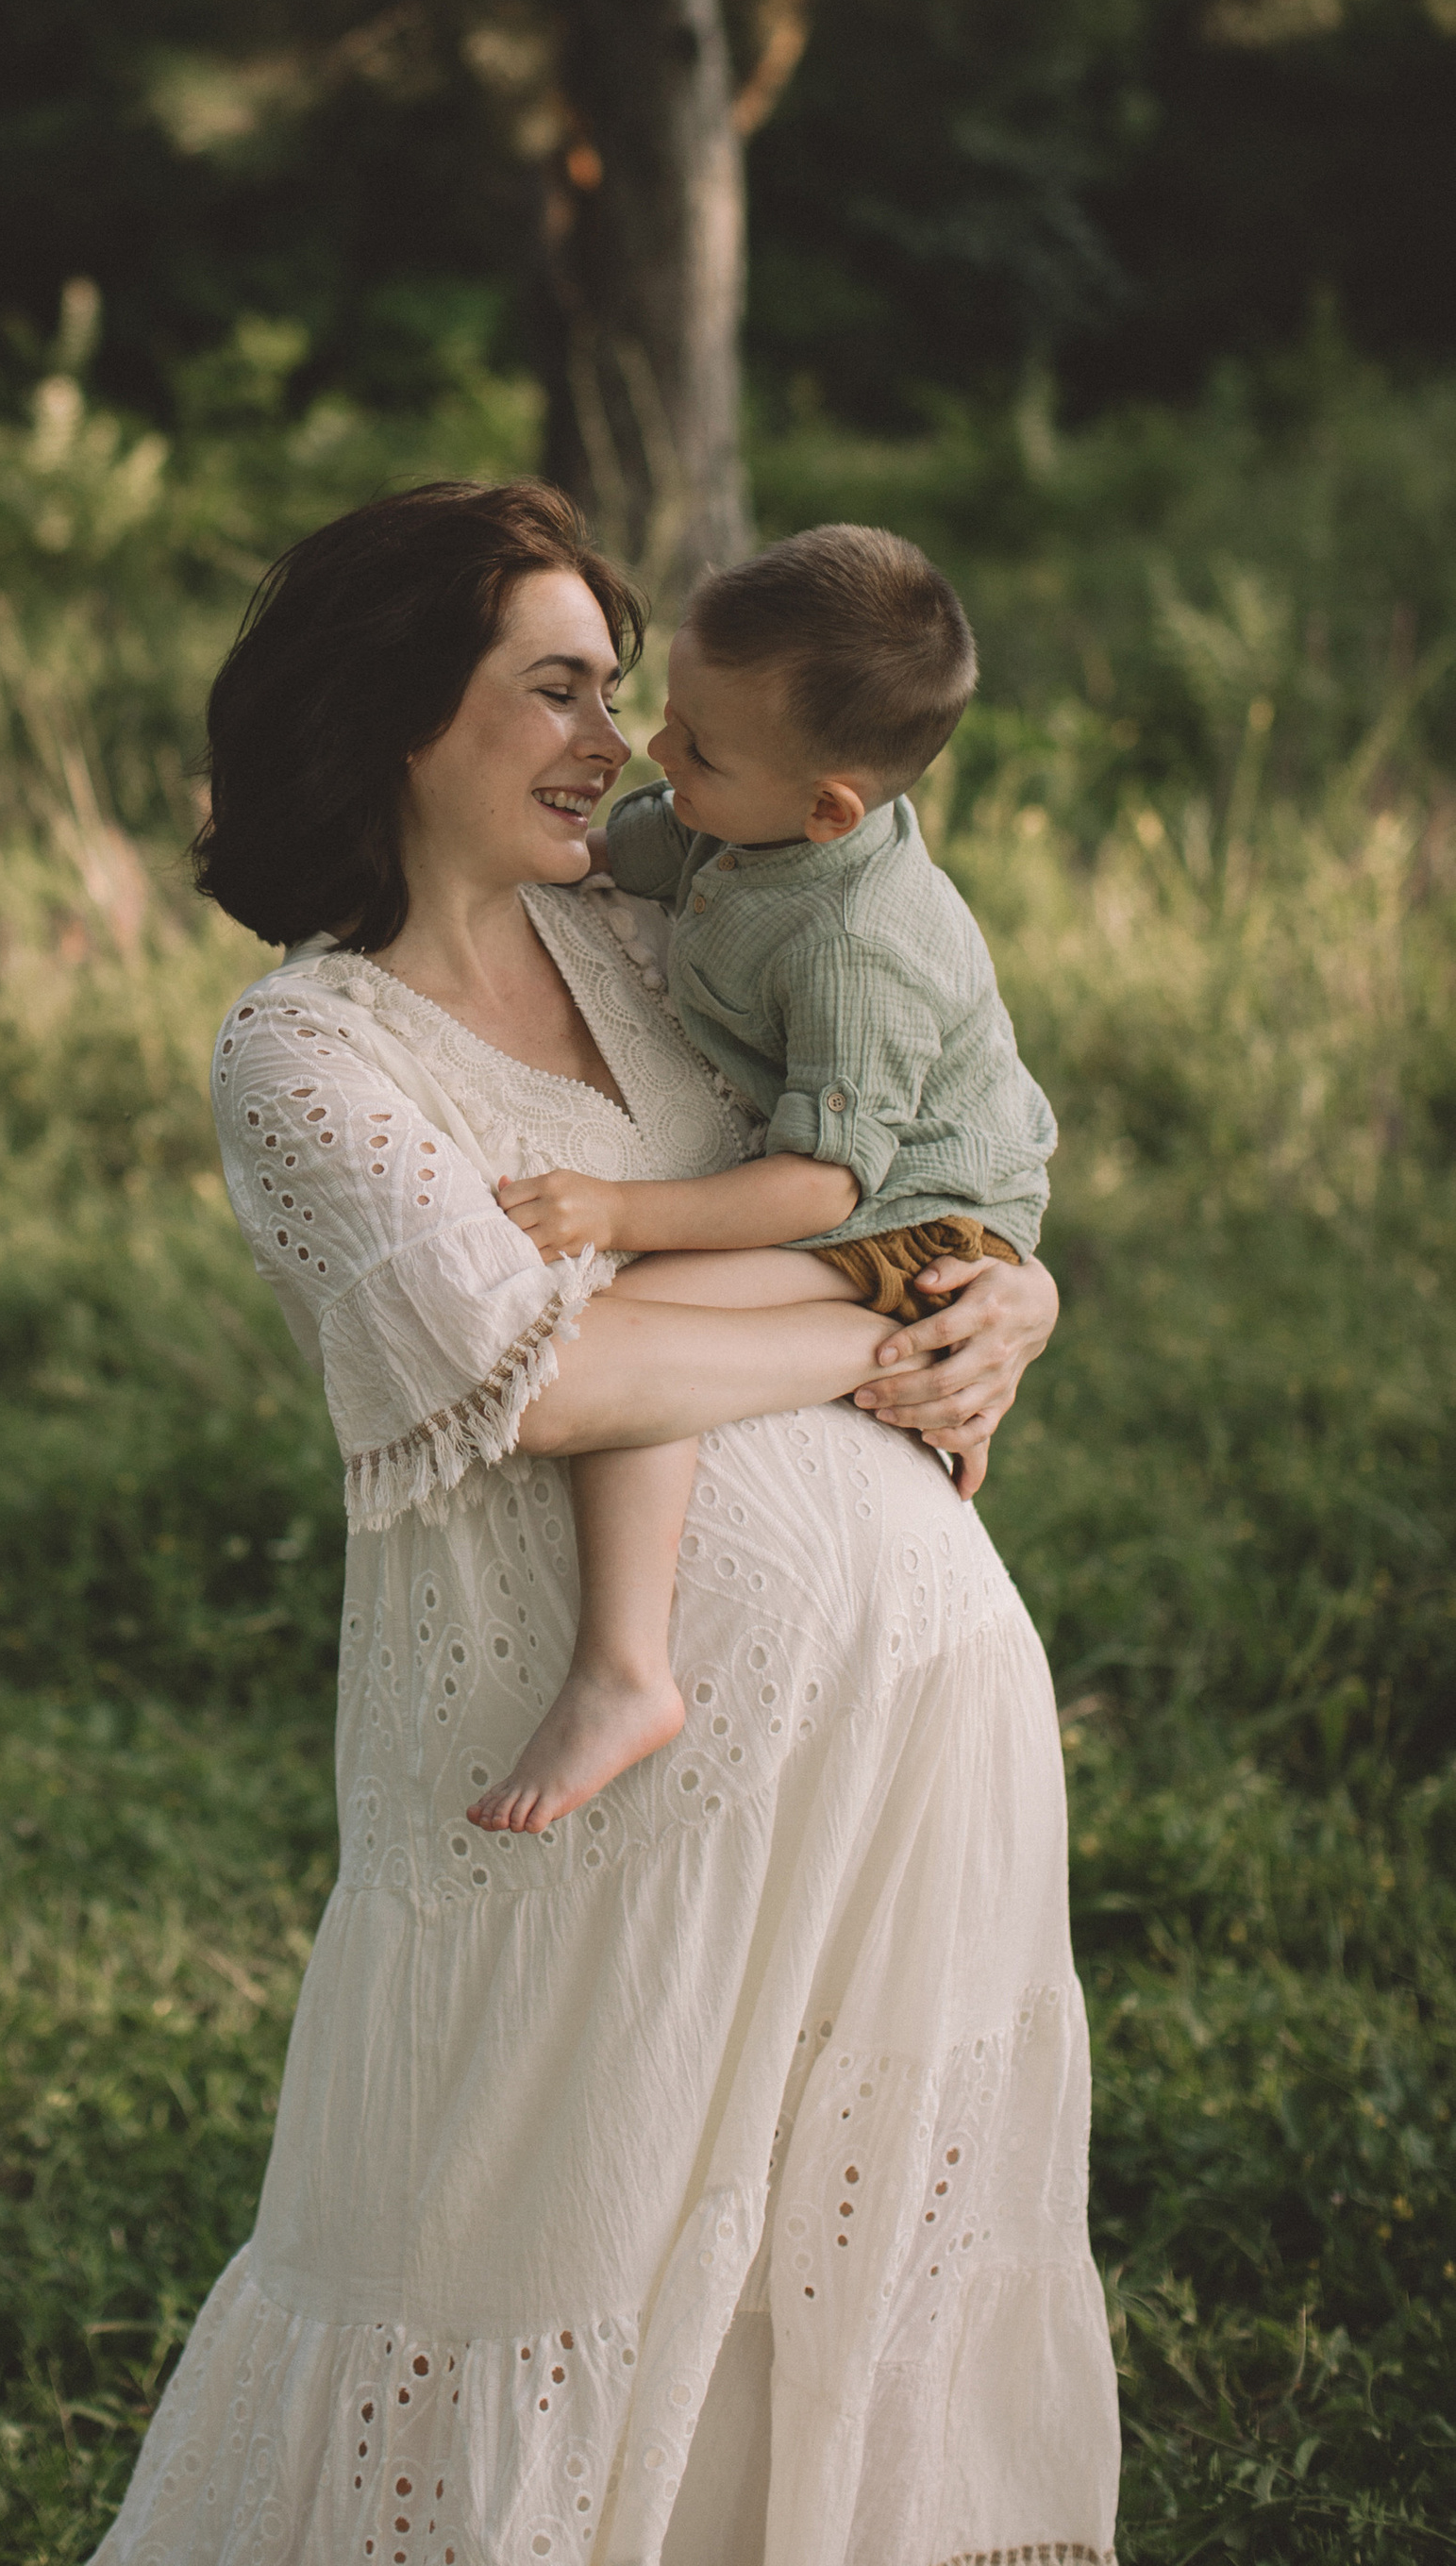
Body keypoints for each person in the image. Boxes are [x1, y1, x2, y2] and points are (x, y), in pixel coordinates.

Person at [89, 477, 1117, 2566]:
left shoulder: (665, 922)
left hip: (904, 1745)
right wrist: (878, 1316)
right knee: (489, 2288)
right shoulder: (306, 1053)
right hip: (575, 1824)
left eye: (618, 694)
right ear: (396, 712)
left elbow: (908, 1129)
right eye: (555, 692)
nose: (611, 744)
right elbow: (538, 1377)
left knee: (837, 2315)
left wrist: (1003, 1280)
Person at [473, 524, 1057, 1836]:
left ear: (830, 809)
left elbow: (820, 1191)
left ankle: (625, 1670)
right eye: (667, 717)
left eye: (699, 749)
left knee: (632, 1309)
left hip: (922, 1223)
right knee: (643, 1305)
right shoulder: (741, 822)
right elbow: (616, 853)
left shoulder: (861, 945)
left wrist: (624, 1212)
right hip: (869, 1205)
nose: (653, 754)